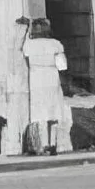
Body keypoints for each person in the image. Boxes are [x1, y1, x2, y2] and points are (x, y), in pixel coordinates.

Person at [22, 16, 72, 155]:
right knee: (53, 112)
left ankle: (43, 144)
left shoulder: (28, 45)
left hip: (36, 79)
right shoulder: (55, 44)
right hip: (51, 78)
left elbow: (25, 63)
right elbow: (62, 66)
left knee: (40, 113)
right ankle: (52, 144)